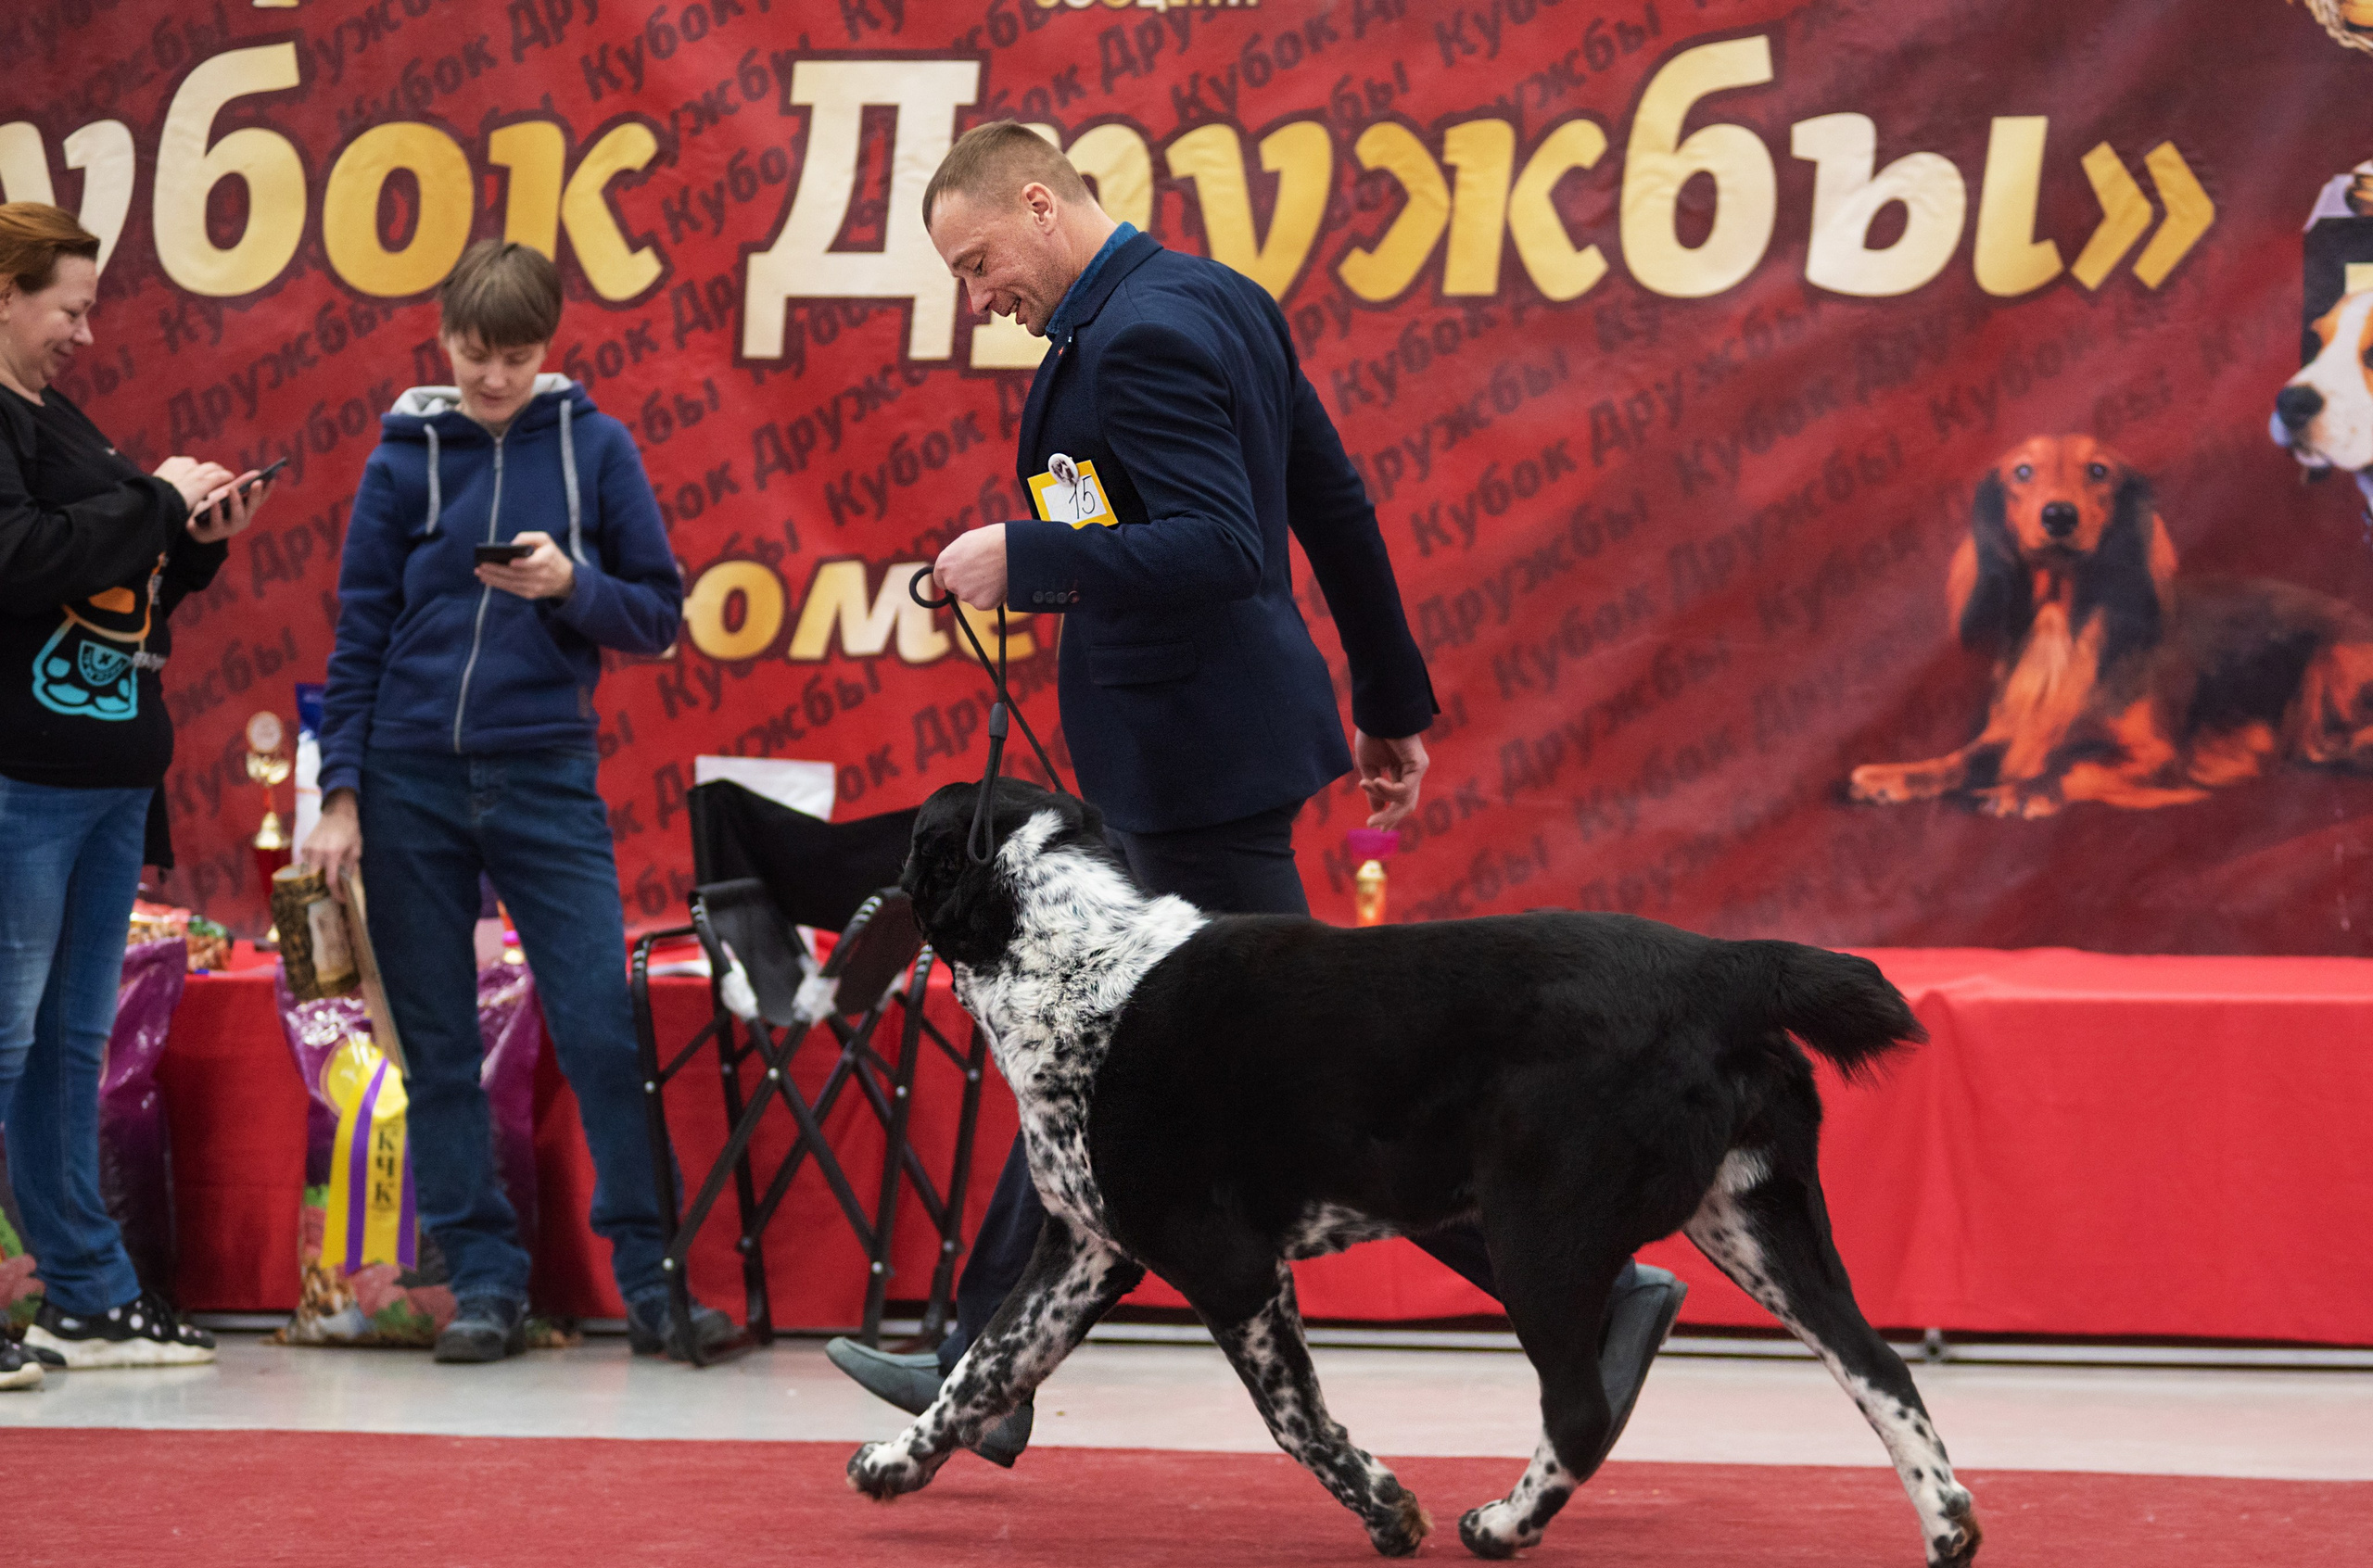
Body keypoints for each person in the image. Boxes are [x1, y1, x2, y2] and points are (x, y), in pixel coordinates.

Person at [825, 124, 1686, 1466]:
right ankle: (983, 1363)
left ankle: (1595, 1285)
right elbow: (1330, 503)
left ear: (1042, 204)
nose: (974, 296)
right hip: (1208, 752)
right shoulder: (1214, 294)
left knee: (1299, 1084)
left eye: (978, 260)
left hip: (1196, 768)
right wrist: (1390, 697)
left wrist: (1025, 555)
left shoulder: (1138, 338)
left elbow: (1227, 544)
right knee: (1120, 1064)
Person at [300, 241, 734, 1365]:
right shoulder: (401, 460)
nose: (492, 377)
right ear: (443, 336)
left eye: (516, 356)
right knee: (439, 1051)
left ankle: (654, 1284)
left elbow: (657, 614)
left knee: (599, 1027)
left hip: (545, 773)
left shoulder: (596, 446)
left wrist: (570, 585)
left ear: (551, 346)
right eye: (474, 353)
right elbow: (357, 637)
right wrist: (339, 792)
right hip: (405, 780)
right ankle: (484, 1285)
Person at [0, 202, 271, 1378]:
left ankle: (89, 1294)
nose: (86, 333)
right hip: (22, 784)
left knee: (67, 1044)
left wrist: (191, 540)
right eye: (70, 307)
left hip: (105, 783)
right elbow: (18, 563)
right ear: (4, 296)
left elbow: (107, 582)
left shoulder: (53, 418)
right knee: (6, 1040)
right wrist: (155, 500)